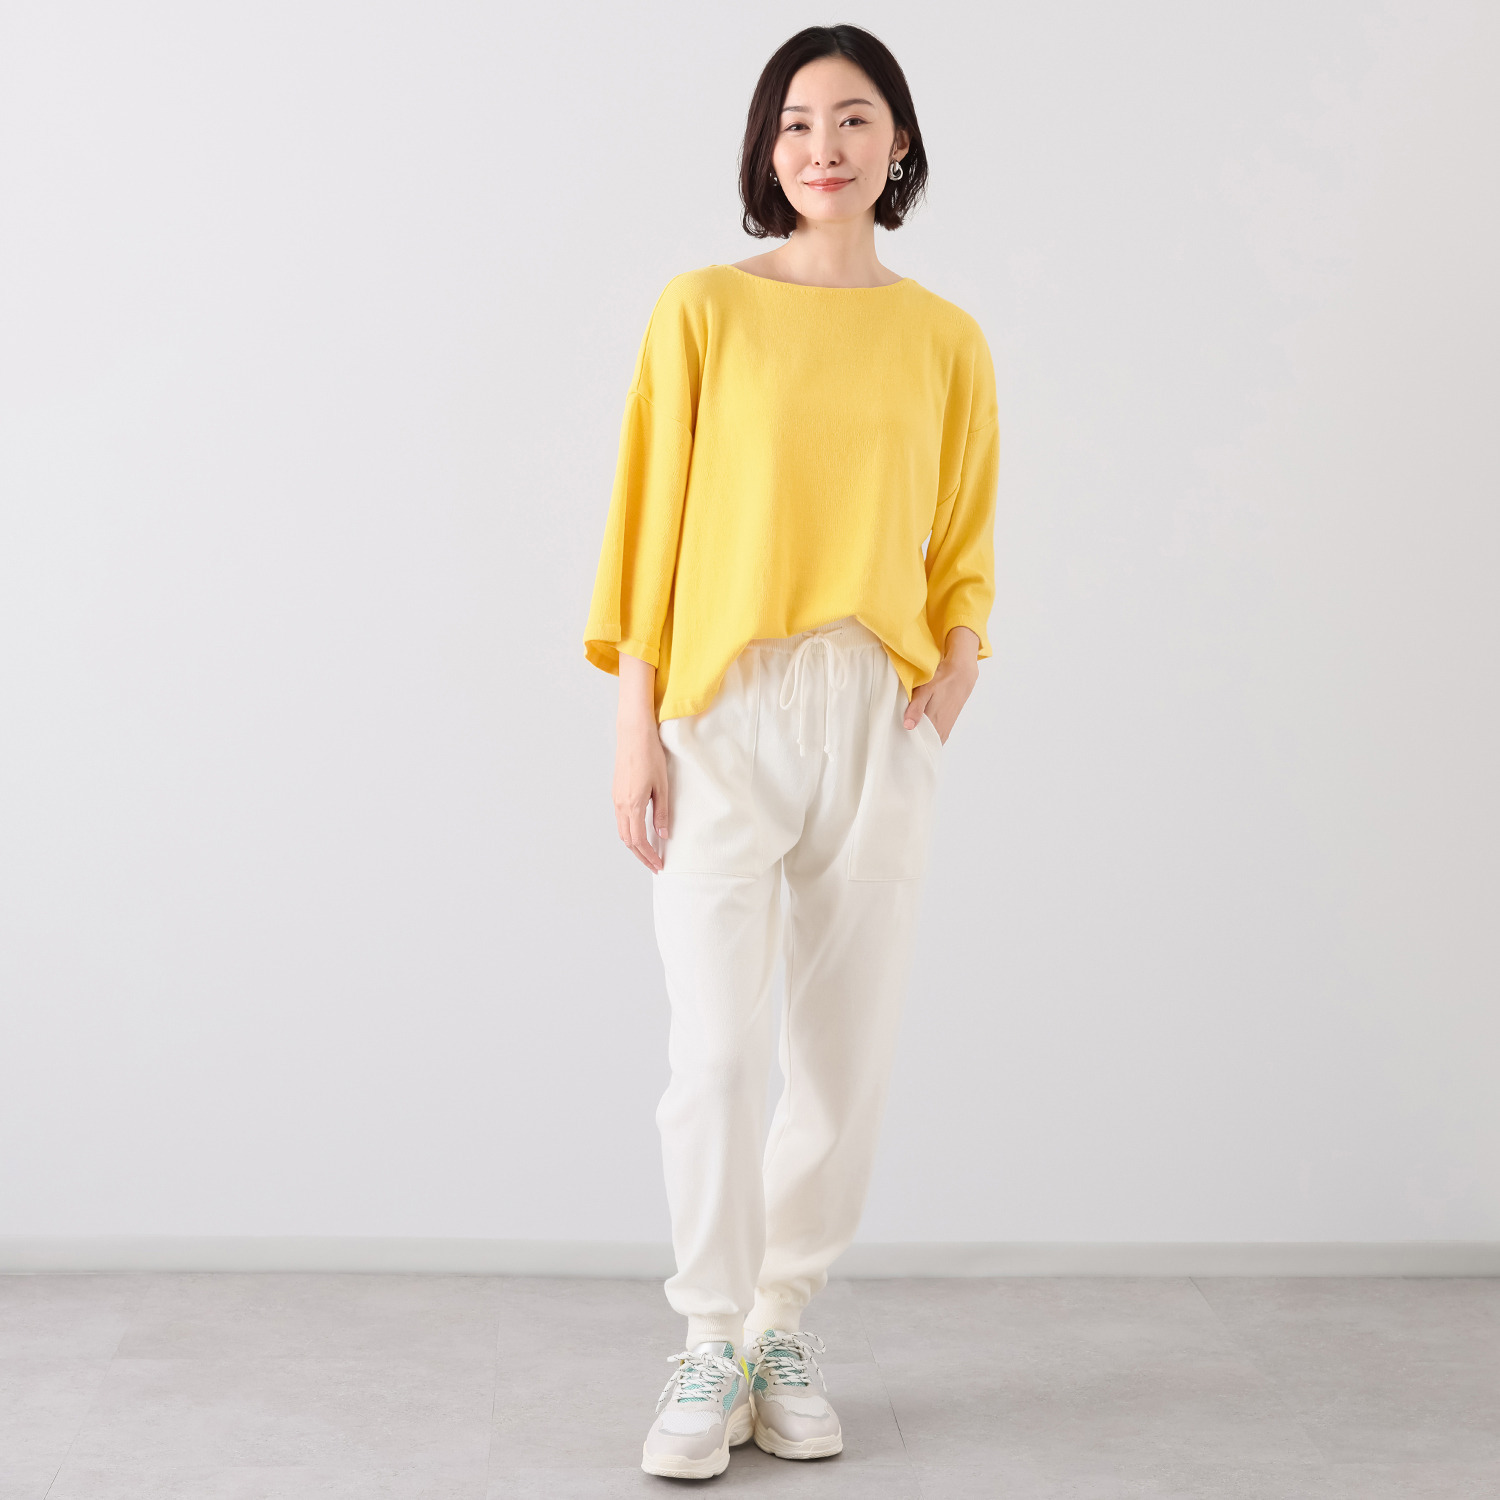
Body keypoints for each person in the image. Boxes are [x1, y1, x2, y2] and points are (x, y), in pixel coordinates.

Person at [582, 22, 998, 1481]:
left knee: (842, 1055)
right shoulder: (703, 309)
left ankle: (779, 1327)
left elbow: (965, 530)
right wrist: (635, 724)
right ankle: (708, 1338)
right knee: (715, 1049)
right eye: (798, 122)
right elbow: (649, 522)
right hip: (725, 707)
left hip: (874, 708)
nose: (825, 145)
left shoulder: (945, 338)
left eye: (854, 117)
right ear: (769, 151)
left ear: (900, 143)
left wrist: (954, 664)